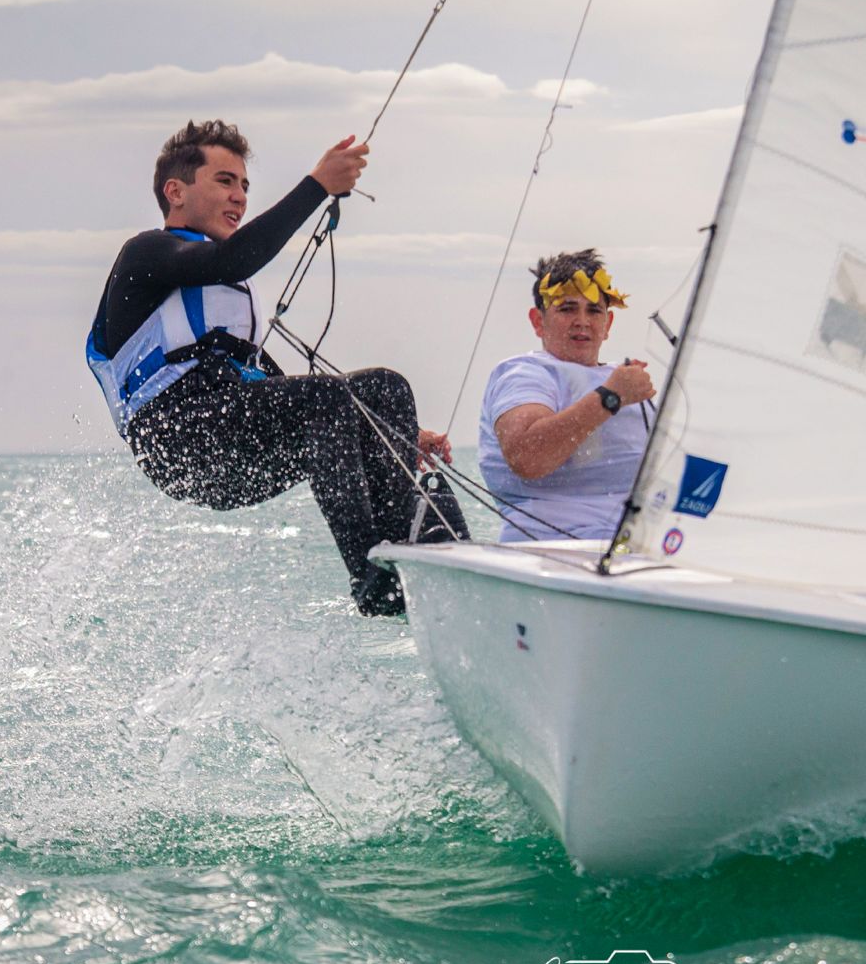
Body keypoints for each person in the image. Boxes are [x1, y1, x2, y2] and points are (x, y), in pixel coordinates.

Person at [85, 119, 464, 616]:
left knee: (385, 390)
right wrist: (317, 186)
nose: (240, 197)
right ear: (175, 192)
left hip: (232, 438)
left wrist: (388, 431)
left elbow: (280, 391)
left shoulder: (226, 292)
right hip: (177, 442)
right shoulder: (146, 254)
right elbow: (235, 260)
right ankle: (372, 581)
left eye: (245, 185)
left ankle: (411, 554)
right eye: (225, 181)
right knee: (328, 397)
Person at [477, 249, 655, 542]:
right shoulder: (525, 373)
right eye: (567, 309)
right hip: (549, 547)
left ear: (608, 324)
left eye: (594, 311)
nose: (582, 321)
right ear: (538, 321)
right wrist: (611, 396)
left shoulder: (625, 380)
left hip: (636, 545)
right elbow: (527, 458)